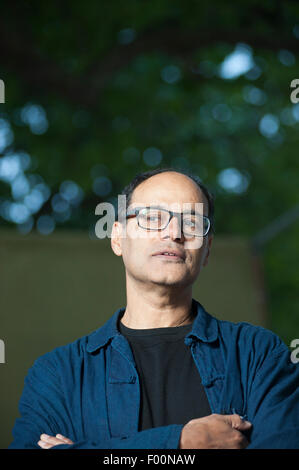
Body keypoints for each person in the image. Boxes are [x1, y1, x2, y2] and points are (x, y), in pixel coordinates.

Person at [9, 168, 299, 449]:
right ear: (118, 238)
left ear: (207, 249)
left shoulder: (258, 355)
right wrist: (180, 442)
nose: (174, 233)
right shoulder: (59, 374)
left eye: (192, 223)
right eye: (153, 217)